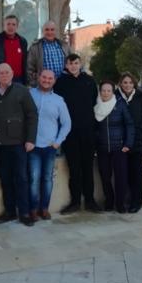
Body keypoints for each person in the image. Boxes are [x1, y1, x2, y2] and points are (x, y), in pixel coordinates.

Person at [0, 63, 38, 226]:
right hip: (0, 145)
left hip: (18, 144)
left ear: (12, 73)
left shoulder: (21, 90)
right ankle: (9, 212)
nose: (4, 75)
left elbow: (32, 115)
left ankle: (24, 212)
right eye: (1, 72)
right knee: (5, 179)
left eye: (7, 72)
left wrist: (30, 139)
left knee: (21, 179)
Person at [54, 54, 102, 214]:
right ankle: (75, 201)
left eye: (75, 63)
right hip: (69, 133)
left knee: (88, 167)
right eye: (70, 63)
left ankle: (90, 200)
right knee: (74, 168)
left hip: (88, 131)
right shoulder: (60, 83)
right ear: (66, 65)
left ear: (80, 64)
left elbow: (95, 103)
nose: (73, 66)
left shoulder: (89, 81)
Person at [28, 70, 71, 220]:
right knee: (34, 178)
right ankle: (32, 209)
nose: (46, 80)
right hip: (32, 146)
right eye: (44, 77)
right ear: (39, 78)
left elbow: (67, 123)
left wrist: (57, 142)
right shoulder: (29, 94)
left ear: (54, 81)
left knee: (47, 179)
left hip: (50, 147)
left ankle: (44, 208)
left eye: (50, 78)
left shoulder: (59, 100)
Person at [95, 80, 135, 213]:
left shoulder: (120, 104)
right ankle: (109, 201)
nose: (106, 93)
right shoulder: (96, 105)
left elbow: (129, 124)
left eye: (108, 90)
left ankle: (120, 203)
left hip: (119, 147)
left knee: (121, 177)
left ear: (113, 92)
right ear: (100, 91)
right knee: (105, 177)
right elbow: (93, 128)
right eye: (103, 90)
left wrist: (128, 143)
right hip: (102, 148)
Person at [116, 72, 142, 213]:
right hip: (121, 141)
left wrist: (141, 130)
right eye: (125, 82)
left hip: (137, 141)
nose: (128, 85)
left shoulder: (141, 96)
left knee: (136, 172)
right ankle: (124, 201)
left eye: (130, 82)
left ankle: (137, 201)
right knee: (123, 173)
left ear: (134, 83)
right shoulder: (116, 97)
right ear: (121, 84)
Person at [27, 21, 71, 86]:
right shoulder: (35, 47)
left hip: (64, 83)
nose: (49, 32)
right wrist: (35, 83)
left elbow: (72, 62)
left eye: (52, 30)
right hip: (44, 85)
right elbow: (29, 68)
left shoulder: (64, 45)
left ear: (55, 31)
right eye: (47, 30)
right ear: (43, 31)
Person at [0, 15, 28, 84]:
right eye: (8, 24)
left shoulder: (22, 41)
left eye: (13, 24)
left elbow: (25, 61)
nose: (11, 27)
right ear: (4, 26)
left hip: (18, 79)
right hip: (2, 79)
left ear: (17, 26)